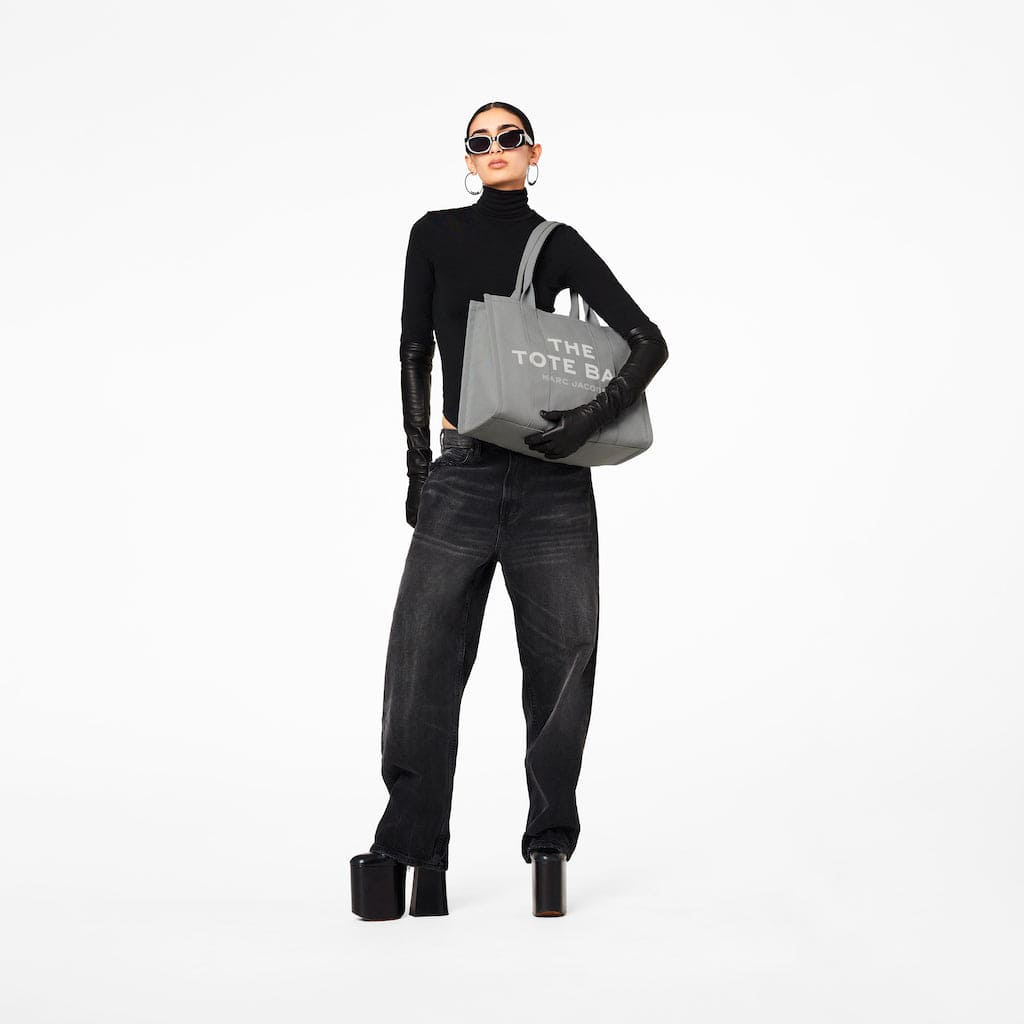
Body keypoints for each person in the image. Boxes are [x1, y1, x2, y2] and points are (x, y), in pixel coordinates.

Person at [350, 101, 669, 921]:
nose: (494, 148)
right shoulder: (433, 234)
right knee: (420, 661)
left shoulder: (556, 243)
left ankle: (550, 845)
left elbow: (649, 340)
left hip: (552, 483)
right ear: (468, 158)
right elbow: (414, 348)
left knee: (563, 663)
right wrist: (418, 465)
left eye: (509, 138)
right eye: (479, 141)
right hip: (460, 473)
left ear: (534, 153)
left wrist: (590, 420)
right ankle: (412, 848)